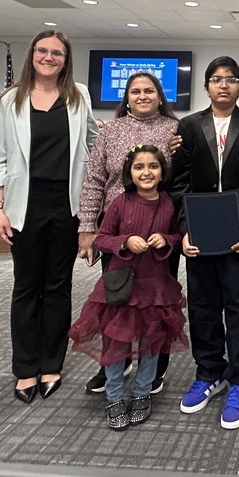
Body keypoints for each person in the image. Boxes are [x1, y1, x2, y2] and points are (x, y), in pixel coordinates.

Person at [0, 30, 98, 404]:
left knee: (57, 287)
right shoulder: (9, 99)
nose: (49, 57)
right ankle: (24, 368)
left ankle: (51, 364)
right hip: (24, 204)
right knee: (25, 287)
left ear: (66, 60)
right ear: (32, 55)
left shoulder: (78, 96)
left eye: (57, 53)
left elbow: (96, 145)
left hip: (67, 204)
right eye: (42, 51)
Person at [172, 57, 239, 430]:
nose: (223, 86)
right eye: (216, 80)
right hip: (201, 236)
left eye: (231, 80)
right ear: (206, 87)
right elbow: (179, 182)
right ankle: (209, 372)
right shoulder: (188, 126)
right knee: (202, 306)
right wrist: (185, 229)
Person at [69, 145, 188, 430]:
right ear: (129, 172)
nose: (146, 172)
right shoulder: (121, 203)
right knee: (117, 345)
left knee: (150, 346)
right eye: (139, 167)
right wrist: (125, 242)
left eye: (153, 166)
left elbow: (177, 235)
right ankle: (113, 396)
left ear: (162, 172)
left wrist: (166, 240)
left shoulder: (170, 203)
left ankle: (142, 393)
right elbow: (102, 238)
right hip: (122, 288)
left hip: (155, 288)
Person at [77, 72, 181, 395]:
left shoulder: (175, 130)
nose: (142, 96)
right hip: (117, 225)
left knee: (158, 304)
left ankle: (155, 370)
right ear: (127, 96)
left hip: (161, 229)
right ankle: (114, 365)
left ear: (160, 95)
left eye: (149, 90)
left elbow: (180, 177)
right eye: (135, 91)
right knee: (117, 301)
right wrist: (87, 227)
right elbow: (94, 179)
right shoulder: (111, 130)